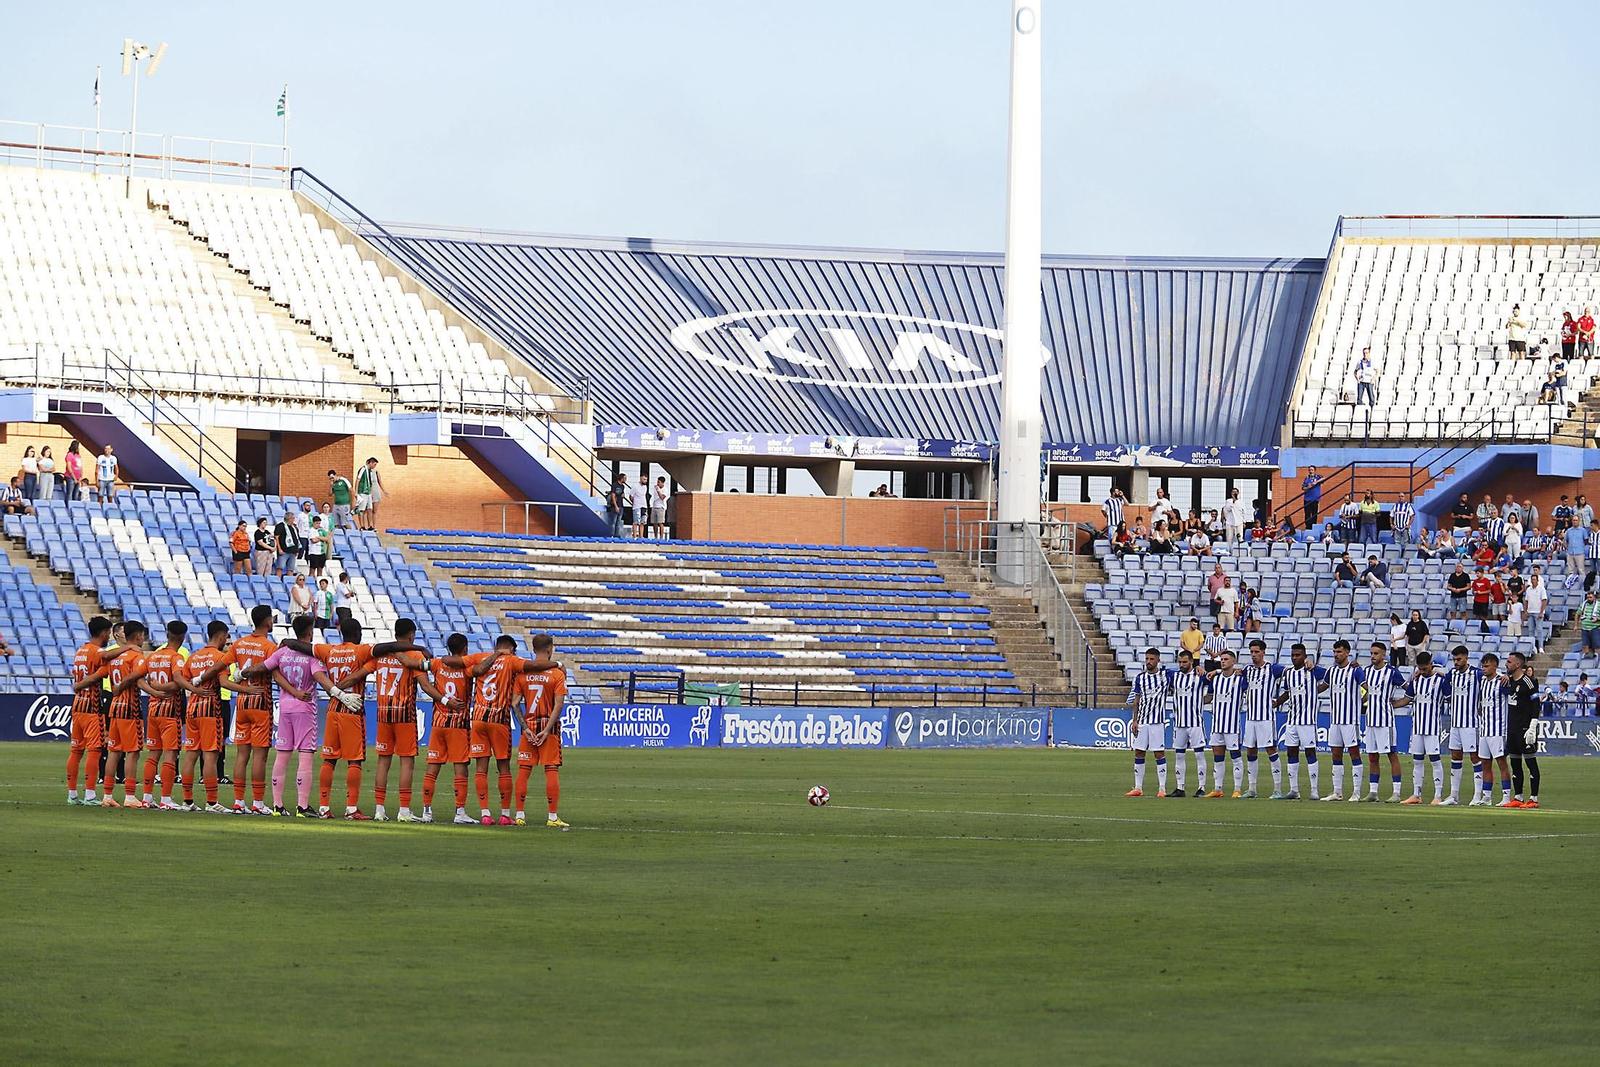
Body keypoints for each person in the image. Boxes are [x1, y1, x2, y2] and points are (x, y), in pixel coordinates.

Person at [277, 618, 414, 819]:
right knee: (354, 761)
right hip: (352, 708)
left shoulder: (329, 650)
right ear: (358, 634)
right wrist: (418, 648)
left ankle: (323, 807)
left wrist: (288, 641)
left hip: (333, 708)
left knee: (329, 759)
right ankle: (351, 808)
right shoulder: (361, 650)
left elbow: (303, 646)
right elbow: (389, 647)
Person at [334, 618, 454, 823]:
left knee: (383, 761)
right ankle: (404, 810)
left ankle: (379, 810)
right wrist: (445, 700)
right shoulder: (414, 655)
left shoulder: (381, 656)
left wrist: (335, 689)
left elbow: (357, 675)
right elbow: (425, 686)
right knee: (406, 761)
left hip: (383, 714)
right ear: (412, 635)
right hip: (404, 715)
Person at [256, 616, 343, 816]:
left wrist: (242, 674)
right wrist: (338, 693)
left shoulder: (282, 652)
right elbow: (320, 678)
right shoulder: (311, 656)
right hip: (305, 707)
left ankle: (277, 805)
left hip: (284, 707)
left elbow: (267, 669)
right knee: (305, 756)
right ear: (310, 632)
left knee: (282, 755)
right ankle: (302, 806)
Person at [173, 622, 263, 813]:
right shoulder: (220, 657)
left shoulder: (194, 657)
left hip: (192, 708)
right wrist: (247, 690)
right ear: (221, 636)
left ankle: (187, 801)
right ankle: (212, 802)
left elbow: (183, 679)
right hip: (210, 710)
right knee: (210, 756)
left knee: (191, 755)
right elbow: (224, 683)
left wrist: (195, 690)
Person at [513, 633, 570, 828]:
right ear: (550, 649)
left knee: (524, 769)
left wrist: (525, 728)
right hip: (548, 726)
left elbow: (515, 703)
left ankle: (519, 815)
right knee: (551, 768)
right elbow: (559, 705)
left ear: (533, 649)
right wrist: (546, 730)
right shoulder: (557, 674)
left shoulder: (522, 674)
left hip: (528, 726)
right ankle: (552, 817)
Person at [226, 605, 279, 815]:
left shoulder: (239, 643)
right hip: (260, 703)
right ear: (267, 622)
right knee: (259, 756)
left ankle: (239, 802)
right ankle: (258, 802)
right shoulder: (270, 647)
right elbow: (276, 674)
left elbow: (223, 666)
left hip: (242, 702)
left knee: (242, 755)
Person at [422, 633, 475, 824]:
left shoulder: (437, 664)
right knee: (460, 769)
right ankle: (460, 812)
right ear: (465, 649)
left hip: (438, 723)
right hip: (458, 725)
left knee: (432, 769)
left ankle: (426, 811)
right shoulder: (468, 668)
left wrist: (420, 650)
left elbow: (418, 665)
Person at [138, 621, 188, 809]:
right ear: (183, 637)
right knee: (170, 755)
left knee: (153, 755)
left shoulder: (153, 656)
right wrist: (160, 688)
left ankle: (146, 797)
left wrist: (153, 691)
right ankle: (166, 799)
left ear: (167, 635)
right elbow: (178, 683)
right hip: (170, 712)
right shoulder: (177, 658)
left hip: (153, 711)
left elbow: (137, 678)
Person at [1394, 652, 1450, 805]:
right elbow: (1407, 699)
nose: (1423, 671)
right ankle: (1416, 794)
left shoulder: (1440, 680)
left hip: (1432, 728)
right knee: (1417, 761)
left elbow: (1451, 699)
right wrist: (1390, 704)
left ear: (1431, 664)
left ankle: (1438, 795)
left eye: (1425, 668)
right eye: (1420, 668)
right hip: (1417, 728)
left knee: (1435, 761)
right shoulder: (1416, 680)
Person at [1272, 643, 1325, 800]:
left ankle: (1314, 791)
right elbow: (1287, 693)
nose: (1295, 658)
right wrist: (1277, 702)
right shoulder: (1289, 674)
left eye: (1298, 655)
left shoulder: (1313, 671)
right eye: (1293, 655)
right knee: (1291, 752)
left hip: (1307, 721)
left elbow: (1331, 675)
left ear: (1305, 656)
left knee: (1310, 752)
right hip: (1292, 720)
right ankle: (1294, 790)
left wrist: (1314, 668)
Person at [1317, 639, 1367, 801]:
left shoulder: (1355, 670)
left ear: (1347, 653)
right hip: (1335, 721)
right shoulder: (1331, 671)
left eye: (1339, 652)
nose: (1336, 655)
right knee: (1336, 755)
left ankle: (1356, 793)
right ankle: (1337, 792)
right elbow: (1321, 687)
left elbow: (1368, 688)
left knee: (1354, 754)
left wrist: (1361, 703)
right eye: (1334, 652)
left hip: (1350, 721)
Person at [1361, 642, 1408, 802]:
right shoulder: (1367, 671)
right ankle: (1373, 792)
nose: (1373, 656)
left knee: (1391, 755)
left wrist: (1397, 703)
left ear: (1383, 655)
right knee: (1372, 757)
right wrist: (1361, 702)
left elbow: (1409, 689)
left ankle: (1396, 793)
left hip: (1385, 721)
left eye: (1376, 653)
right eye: (1371, 653)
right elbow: (1368, 692)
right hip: (1370, 721)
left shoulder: (1392, 672)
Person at [1240, 640, 1284, 799]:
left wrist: (1279, 700)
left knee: (1271, 750)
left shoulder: (1272, 669)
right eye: (1251, 652)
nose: (1253, 655)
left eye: (1256, 652)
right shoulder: (1247, 670)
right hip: (1250, 718)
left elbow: (1293, 672)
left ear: (1263, 652)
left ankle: (1277, 789)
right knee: (1250, 751)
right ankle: (1252, 789)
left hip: (1266, 717)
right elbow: (1232, 672)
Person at [1124, 648, 1170, 797]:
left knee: (1159, 753)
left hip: (1157, 722)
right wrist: (1135, 720)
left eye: (1151, 659)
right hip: (1142, 721)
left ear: (1158, 660)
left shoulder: (1166, 675)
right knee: (1139, 752)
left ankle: (1162, 788)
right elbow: (1136, 699)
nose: (1148, 662)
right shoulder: (1140, 678)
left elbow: (1184, 671)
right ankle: (1138, 787)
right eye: (1147, 659)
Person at [1202, 648, 1247, 798]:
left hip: (1232, 725)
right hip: (1217, 725)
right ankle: (1217, 789)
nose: (1223, 662)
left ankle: (1237, 789)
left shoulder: (1241, 679)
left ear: (1233, 661)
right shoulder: (1215, 679)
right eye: (1221, 659)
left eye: (1226, 659)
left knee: (1235, 756)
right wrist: (1194, 701)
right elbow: (1209, 697)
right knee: (1217, 757)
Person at [1166, 649, 1210, 798]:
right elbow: (1157, 672)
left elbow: (1214, 678)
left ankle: (1201, 787)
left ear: (1191, 661)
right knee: (1179, 755)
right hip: (1179, 723)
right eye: (1180, 662)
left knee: (1199, 755)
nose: (1182, 665)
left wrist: (1203, 669)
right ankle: (1180, 788)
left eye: (1185, 662)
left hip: (1195, 722)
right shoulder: (1173, 676)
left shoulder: (1199, 676)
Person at [1472, 655, 1515, 807]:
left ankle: (1506, 796)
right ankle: (1487, 797)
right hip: (1484, 730)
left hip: (1498, 730)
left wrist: (1508, 678)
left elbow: (1512, 691)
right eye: (1483, 666)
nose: (1484, 669)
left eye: (1487, 666)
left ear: (1495, 666)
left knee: (1502, 762)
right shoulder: (1482, 681)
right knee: (1485, 763)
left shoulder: (1502, 682)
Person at [1443, 645, 1481, 807]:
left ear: (1466, 658)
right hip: (1455, 723)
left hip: (1471, 723)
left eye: (1459, 659)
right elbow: (1442, 679)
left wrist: (1503, 677)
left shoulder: (1477, 673)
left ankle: (1477, 795)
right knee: (1455, 757)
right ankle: (1454, 795)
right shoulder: (1452, 674)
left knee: (1475, 758)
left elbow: (1493, 677)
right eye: (1454, 660)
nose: (1456, 662)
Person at [1504, 651, 1542, 807]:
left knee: (1530, 762)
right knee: (1515, 763)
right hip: (1512, 729)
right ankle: (1518, 797)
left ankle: (1534, 798)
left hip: (1526, 729)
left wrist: (1533, 726)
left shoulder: (1528, 682)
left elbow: (1536, 705)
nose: (1506, 664)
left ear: (1517, 664)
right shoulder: (1508, 681)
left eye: (1509, 662)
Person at [354, 457, 384, 532]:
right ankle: (362, 526)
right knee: (361, 509)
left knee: (370, 509)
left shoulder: (370, 471)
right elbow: (358, 480)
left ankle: (370, 525)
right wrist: (356, 491)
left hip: (368, 493)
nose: (374, 466)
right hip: (362, 492)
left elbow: (370, 482)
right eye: (374, 464)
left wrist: (371, 493)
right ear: (370, 463)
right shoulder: (363, 469)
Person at [1525, 571, 1548, 653]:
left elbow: (1544, 600)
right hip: (1530, 611)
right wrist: (1526, 610)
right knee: (1530, 630)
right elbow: (1526, 600)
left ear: (1537, 580)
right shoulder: (1528, 590)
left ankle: (1541, 647)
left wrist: (1541, 612)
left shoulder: (1541, 589)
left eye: (1534, 579)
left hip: (1538, 612)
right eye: (1532, 579)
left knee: (1539, 630)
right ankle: (1532, 647)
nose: (1533, 581)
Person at [273, 510, 301, 576]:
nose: (294, 520)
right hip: (284, 551)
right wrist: (279, 549)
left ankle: (289, 580)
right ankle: (278, 580)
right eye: (293, 518)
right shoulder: (280, 526)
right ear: (289, 518)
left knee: (291, 569)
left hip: (293, 551)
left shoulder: (293, 527)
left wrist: (297, 550)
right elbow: (276, 537)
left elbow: (296, 539)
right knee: (280, 567)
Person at [1446, 562, 1471, 630]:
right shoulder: (1452, 575)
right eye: (1457, 567)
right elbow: (1448, 586)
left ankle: (1464, 626)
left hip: (1462, 596)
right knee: (1452, 612)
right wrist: (1452, 589)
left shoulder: (1465, 576)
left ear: (1462, 568)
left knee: (1463, 612)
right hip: (1453, 596)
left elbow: (1469, 586)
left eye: (1460, 567)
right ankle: (1452, 627)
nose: (1458, 568)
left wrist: (1460, 589)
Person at [1578, 590, 1600, 663]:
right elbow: (1577, 614)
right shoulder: (1583, 605)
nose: (1589, 599)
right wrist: (1575, 625)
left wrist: (1597, 619)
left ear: (1594, 597)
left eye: (1590, 597)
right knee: (1585, 645)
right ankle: (1585, 661)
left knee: (1597, 646)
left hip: (1595, 628)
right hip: (1585, 629)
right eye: (1588, 597)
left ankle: (1598, 661)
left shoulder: (1598, 605)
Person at [606, 474, 630, 538]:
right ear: (621, 478)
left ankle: (617, 534)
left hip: (621, 504)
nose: (625, 480)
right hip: (615, 506)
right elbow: (613, 495)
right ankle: (611, 534)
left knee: (618, 521)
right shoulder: (615, 485)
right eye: (624, 478)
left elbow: (621, 494)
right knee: (613, 521)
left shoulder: (622, 486)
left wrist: (623, 495)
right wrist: (616, 506)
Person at [631, 474, 651, 539]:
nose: (645, 481)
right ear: (641, 478)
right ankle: (634, 535)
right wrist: (634, 502)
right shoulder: (635, 486)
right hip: (637, 506)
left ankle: (641, 536)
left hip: (644, 505)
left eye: (646, 480)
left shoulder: (645, 487)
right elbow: (631, 496)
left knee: (643, 522)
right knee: (636, 522)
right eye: (644, 479)